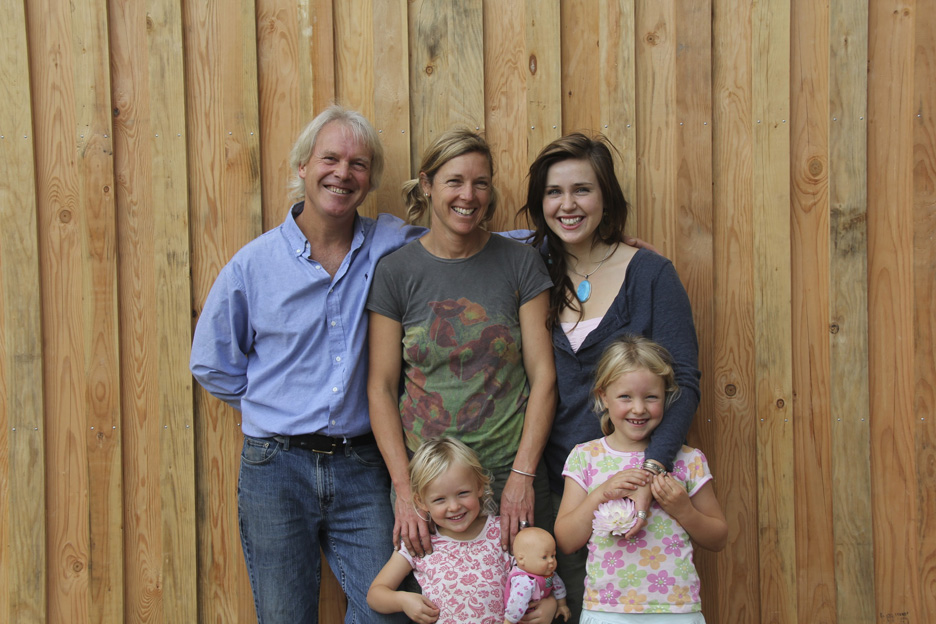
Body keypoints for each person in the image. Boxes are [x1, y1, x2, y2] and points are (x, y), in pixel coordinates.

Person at [189, 105, 424, 623]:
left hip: (364, 467)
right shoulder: (253, 265)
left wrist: (571, 247)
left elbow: (466, 245)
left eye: (358, 164)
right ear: (303, 167)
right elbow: (211, 363)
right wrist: (272, 403)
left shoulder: (391, 243)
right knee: (284, 615)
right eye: (330, 158)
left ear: (369, 180)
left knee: (388, 613)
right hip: (276, 468)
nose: (343, 173)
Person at [519, 133, 702, 617]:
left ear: (607, 197)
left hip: (630, 482)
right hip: (553, 481)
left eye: (582, 190)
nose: (568, 204)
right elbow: (466, 238)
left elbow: (684, 382)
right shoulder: (531, 267)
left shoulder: (650, 273)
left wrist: (650, 473)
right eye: (554, 192)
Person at [367, 129, 557, 556]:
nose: (468, 195)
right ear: (428, 184)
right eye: (454, 181)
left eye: (481, 183)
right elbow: (380, 386)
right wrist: (404, 489)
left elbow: (543, 377)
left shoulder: (519, 263)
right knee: (436, 609)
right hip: (430, 486)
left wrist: (522, 477)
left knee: (527, 602)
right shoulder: (396, 272)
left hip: (510, 472)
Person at [554, 335, 727, 622]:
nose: (638, 408)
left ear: (667, 398)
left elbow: (719, 537)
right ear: (602, 397)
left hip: (676, 609)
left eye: (651, 397)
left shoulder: (688, 459)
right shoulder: (586, 457)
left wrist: (684, 510)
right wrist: (601, 494)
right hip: (606, 610)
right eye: (625, 397)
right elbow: (567, 540)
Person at [367, 437, 557, 624]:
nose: (454, 506)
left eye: (463, 493)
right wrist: (403, 601)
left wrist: (550, 604)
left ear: (479, 487)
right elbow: (376, 594)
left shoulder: (504, 532)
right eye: (439, 499)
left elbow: (543, 575)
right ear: (421, 502)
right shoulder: (420, 543)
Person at [504, 527, 571, 623]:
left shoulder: (550, 575)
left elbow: (559, 587)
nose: (551, 560)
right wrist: (509, 621)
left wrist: (562, 605)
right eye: (544, 557)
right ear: (522, 559)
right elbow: (516, 604)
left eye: (553, 555)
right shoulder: (524, 581)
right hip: (521, 619)